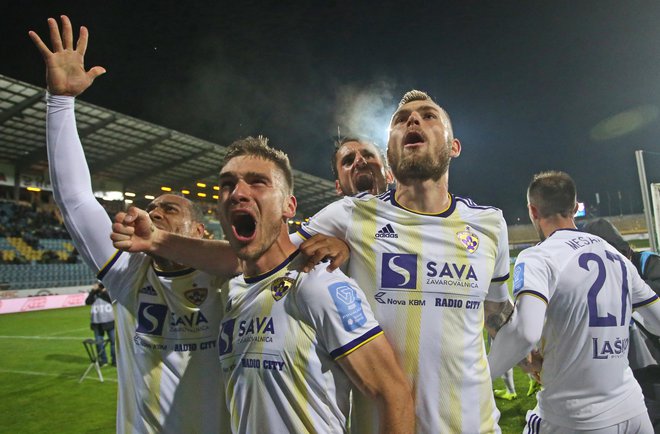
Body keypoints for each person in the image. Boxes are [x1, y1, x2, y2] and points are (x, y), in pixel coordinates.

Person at [112, 89, 513, 433]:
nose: (415, 121)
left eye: (428, 116)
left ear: (454, 146)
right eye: (402, 118)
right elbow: (256, 256)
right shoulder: (351, 216)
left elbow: (496, 313)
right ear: (390, 154)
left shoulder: (489, 225)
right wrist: (159, 241)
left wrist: (522, 352)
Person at [113, 137, 415, 433]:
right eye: (227, 184)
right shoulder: (232, 293)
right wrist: (156, 240)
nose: (237, 193)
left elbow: (393, 394)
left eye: (257, 182)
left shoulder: (316, 285)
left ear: (288, 206)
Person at [29, 16, 233, 433]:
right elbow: (76, 200)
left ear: (201, 232)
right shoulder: (129, 275)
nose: (155, 211)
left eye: (171, 209)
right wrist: (60, 102)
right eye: (153, 206)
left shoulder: (231, 282)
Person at [488, 170, 660, 433]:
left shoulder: (538, 256)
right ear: (574, 206)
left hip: (573, 417)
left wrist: (480, 377)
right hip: (633, 411)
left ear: (533, 211)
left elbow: (525, 333)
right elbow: (657, 320)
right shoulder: (616, 256)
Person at [85, 282, 116, 366]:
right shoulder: (93, 294)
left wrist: (104, 291)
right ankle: (103, 360)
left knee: (114, 342)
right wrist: (92, 291)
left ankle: (115, 360)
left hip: (109, 320)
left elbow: (112, 300)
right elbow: (87, 302)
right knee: (99, 343)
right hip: (97, 322)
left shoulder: (108, 293)